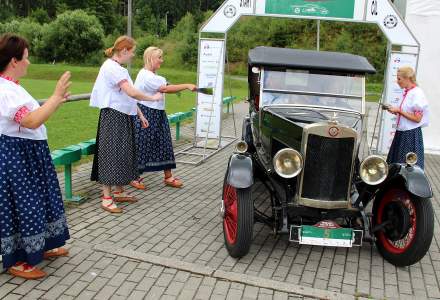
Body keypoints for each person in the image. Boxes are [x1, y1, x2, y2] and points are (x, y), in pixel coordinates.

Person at [0, 33, 70, 279]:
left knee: (39, 201)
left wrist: (57, 101)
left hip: (29, 153)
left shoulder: (13, 86)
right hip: (17, 156)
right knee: (23, 206)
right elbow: (30, 121)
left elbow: (37, 116)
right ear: (14, 61)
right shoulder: (4, 90)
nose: (29, 62)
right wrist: (55, 96)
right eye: (26, 58)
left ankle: (40, 247)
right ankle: (17, 259)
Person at [90, 36, 161, 213]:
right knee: (111, 154)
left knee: (122, 154)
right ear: (124, 51)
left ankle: (118, 191)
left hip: (123, 116)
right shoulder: (111, 68)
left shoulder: (118, 68)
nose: (133, 55)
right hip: (113, 116)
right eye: (132, 52)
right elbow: (131, 92)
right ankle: (106, 197)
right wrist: (152, 98)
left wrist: (140, 114)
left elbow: (126, 96)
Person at [130, 47, 196, 190]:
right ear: (150, 59)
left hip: (158, 113)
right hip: (145, 113)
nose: (162, 60)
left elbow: (166, 86)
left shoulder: (155, 76)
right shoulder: (145, 75)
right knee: (143, 144)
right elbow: (165, 89)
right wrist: (186, 85)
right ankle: (134, 176)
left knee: (165, 142)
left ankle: (168, 176)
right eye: (159, 57)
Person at [385, 66, 429, 169]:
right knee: (396, 165)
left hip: (410, 135)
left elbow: (417, 119)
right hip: (402, 133)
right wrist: (396, 111)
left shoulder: (417, 93)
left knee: (407, 168)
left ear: (407, 78)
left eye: (399, 78)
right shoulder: (407, 92)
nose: (397, 81)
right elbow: (407, 113)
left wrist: (399, 111)